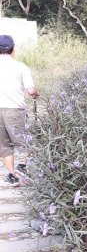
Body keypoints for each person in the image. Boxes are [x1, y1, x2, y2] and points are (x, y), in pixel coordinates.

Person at [0, 34, 39, 186]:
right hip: (15, 110)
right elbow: (30, 91)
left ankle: (11, 175)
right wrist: (37, 93)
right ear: (12, 50)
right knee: (24, 142)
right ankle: (23, 166)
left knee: (4, 145)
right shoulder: (20, 67)